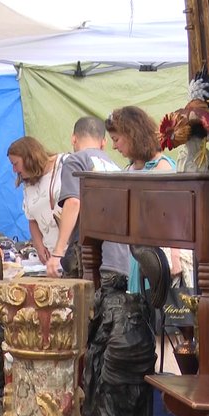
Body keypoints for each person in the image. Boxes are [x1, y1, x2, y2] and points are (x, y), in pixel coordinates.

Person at [105, 106, 184, 293]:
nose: (114, 146)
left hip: (160, 256)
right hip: (136, 256)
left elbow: (177, 218)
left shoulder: (163, 168)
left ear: (132, 134)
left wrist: (174, 256)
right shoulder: (129, 169)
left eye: (116, 140)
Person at [46, 117, 129, 281]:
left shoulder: (75, 160)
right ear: (104, 142)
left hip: (93, 261)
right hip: (121, 259)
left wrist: (57, 253)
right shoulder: (116, 167)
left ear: (73, 138)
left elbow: (73, 202)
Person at [7, 136, 66, 264]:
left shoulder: (64, 164)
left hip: (70, 253)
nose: (14, 170)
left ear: (28, 157)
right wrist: (39, 248)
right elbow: (32, 219)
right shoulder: (29, 184)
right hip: (51, 258)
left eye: (15, 164)